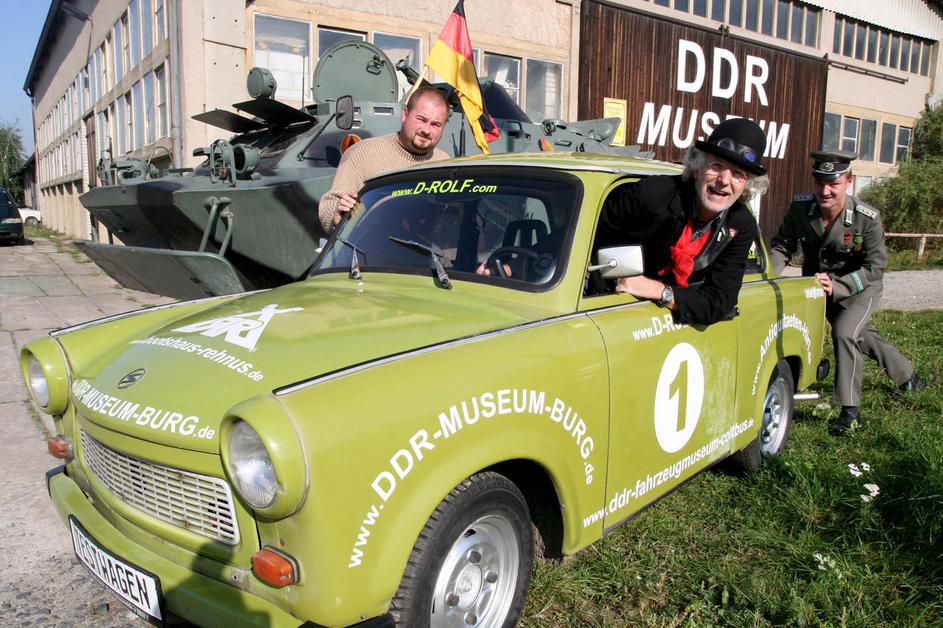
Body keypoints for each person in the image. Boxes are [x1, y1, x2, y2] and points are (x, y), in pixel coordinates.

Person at [770, 150, 926, 436]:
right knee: (860, 334)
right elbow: (782, 246)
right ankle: (908, 377)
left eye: (834, 184)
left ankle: (850, 412)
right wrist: (767, 275)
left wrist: (839, 286)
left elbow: (875, 267)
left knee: (844, 333)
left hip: (860, 290)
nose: (825, 191)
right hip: (819, 289)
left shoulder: (867, 218)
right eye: (820, 183)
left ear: (849, 182)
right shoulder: (801, 209)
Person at [593, 117, 769, 326]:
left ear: (747, 186)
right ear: (697, 168)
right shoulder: (651, 194)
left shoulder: (740, 224)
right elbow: (589, 239)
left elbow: (719, 301)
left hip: (668, 323)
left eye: (738, 174)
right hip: (612, 307)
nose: (723, 180)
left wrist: (661, 292)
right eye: (716, 166)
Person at [318, 86, 450, 234]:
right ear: (405, 115)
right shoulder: (363, 153)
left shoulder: (444, 163)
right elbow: (329, 205)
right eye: (421, 119)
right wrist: (337, 214)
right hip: (370, 246)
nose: (426, 130)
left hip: (423, 247)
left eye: (435, 124)